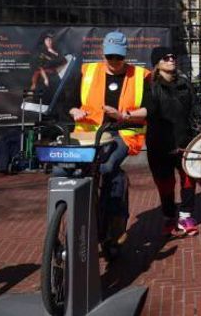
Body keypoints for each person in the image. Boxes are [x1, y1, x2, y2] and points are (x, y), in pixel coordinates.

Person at [65, 31, 150, 252]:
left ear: (125, 54)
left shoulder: (140, 76)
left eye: (118, 57)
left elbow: (149, 108)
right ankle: (77, 216)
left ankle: (114, 226)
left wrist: (123, 116)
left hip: (123, 132)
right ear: (103, 53)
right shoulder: (87, 71)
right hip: (89, 134)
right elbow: (69, 101)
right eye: (110, 56)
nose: (113, 61)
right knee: (67, 169)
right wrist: (74, 111)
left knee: (107, 167)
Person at [145, 47, 200, 237]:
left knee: (189, 179)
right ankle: (169, 217)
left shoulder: (184, 83)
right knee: (165, 183)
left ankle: (186, 215)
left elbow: (194, 105)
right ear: (157, 63)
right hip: (159, 143)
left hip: (184, 139)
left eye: (172, 57)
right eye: (166, 58)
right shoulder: (149, 85)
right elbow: (147, 110)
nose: (171, 60)